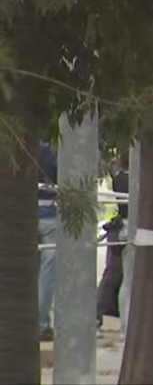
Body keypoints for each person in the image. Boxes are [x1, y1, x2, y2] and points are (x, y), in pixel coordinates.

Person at [96, 153, 129, 332]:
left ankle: (97, 313)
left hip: (115, 227)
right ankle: (96, 313)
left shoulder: (113, 179)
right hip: (117, 228)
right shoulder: (118, 180)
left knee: (113, 274)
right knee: (114, 274)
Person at [37, 141, 58, 341]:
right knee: (47, 270)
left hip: (17, 217)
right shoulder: (48, 151)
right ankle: (41, 323)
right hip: (48, 214)